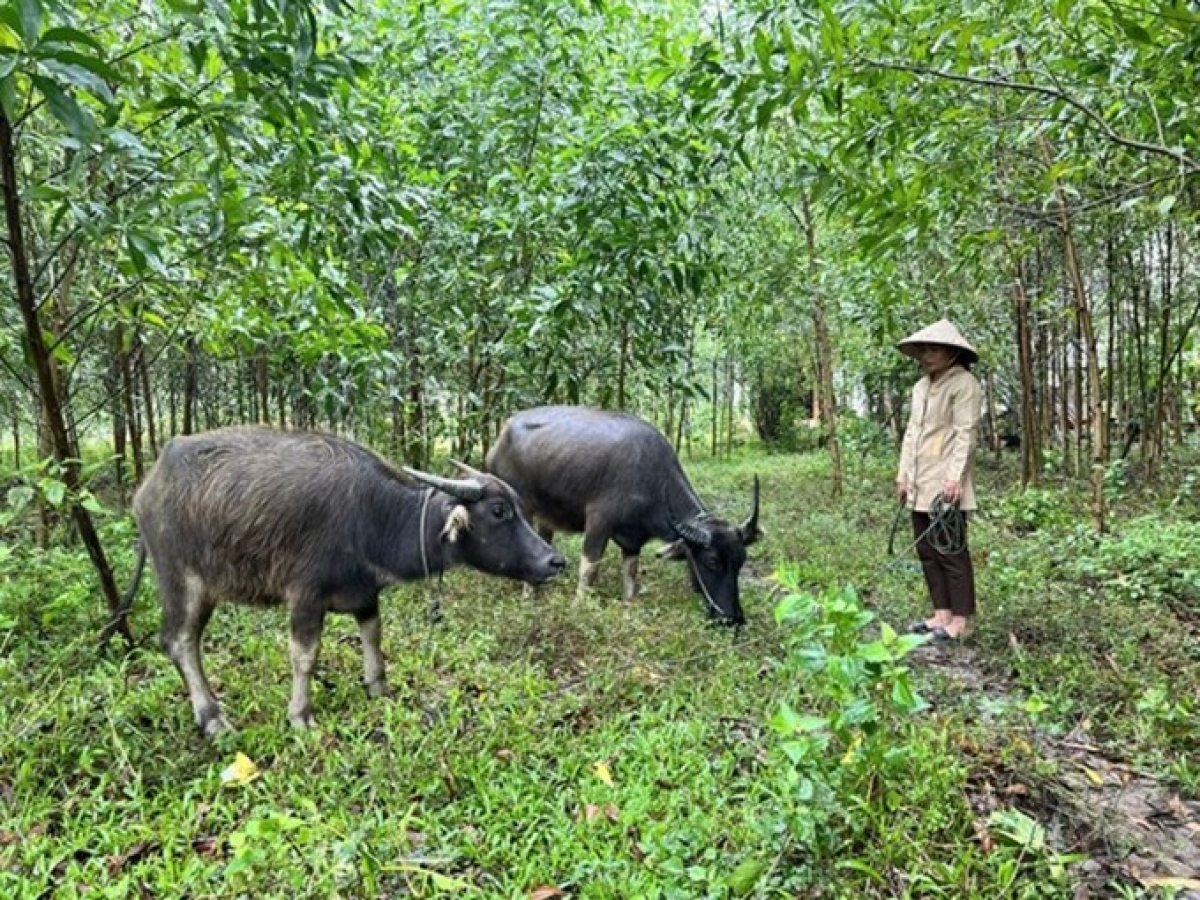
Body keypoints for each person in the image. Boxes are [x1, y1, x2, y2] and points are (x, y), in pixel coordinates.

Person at [894, 319, 982, 641]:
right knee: (927, 550)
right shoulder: (920, 387)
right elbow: (911, 434)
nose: (927, 356)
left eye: (934, 349)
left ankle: (960, 620)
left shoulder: (964, 385)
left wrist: (955, 477)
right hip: (920, 480)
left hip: (946, 481)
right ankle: (941, 613)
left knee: (951, 549)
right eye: (924, 350)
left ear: (951, 353)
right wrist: (903, 475)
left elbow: (965, 434)